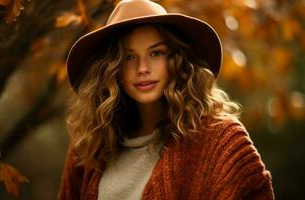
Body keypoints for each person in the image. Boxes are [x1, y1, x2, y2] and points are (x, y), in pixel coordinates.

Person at [58, 0, 274, 199]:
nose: (143, 69)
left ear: (178, 60)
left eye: (156, 53)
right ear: (111, 68)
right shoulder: (88, 146)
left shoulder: (221, 140)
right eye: (129, 57)